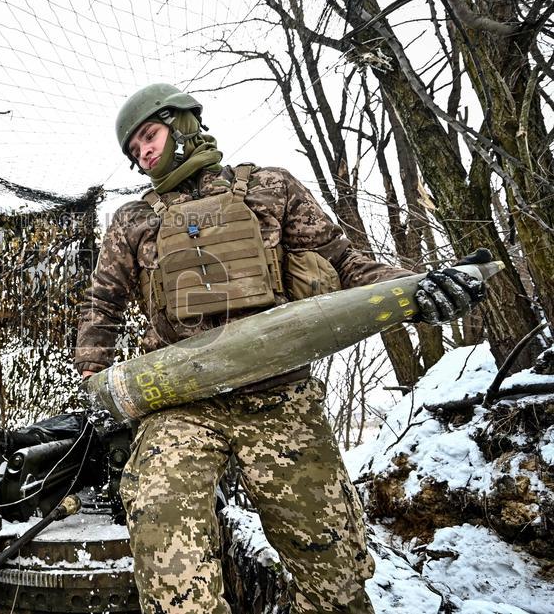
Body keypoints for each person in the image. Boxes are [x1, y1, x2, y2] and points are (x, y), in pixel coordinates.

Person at [75, 83, 486, 613]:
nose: (144, 154)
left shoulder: (270, 187)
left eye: (149, 136)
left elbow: (346, 266)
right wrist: (93, 384)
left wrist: (420, 289)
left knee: (335, 579)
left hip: (280, 399)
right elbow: (101, 305)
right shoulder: (132, 220)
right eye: (134, 151)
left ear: (182, 122)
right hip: (181, 405)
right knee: (167, 552)